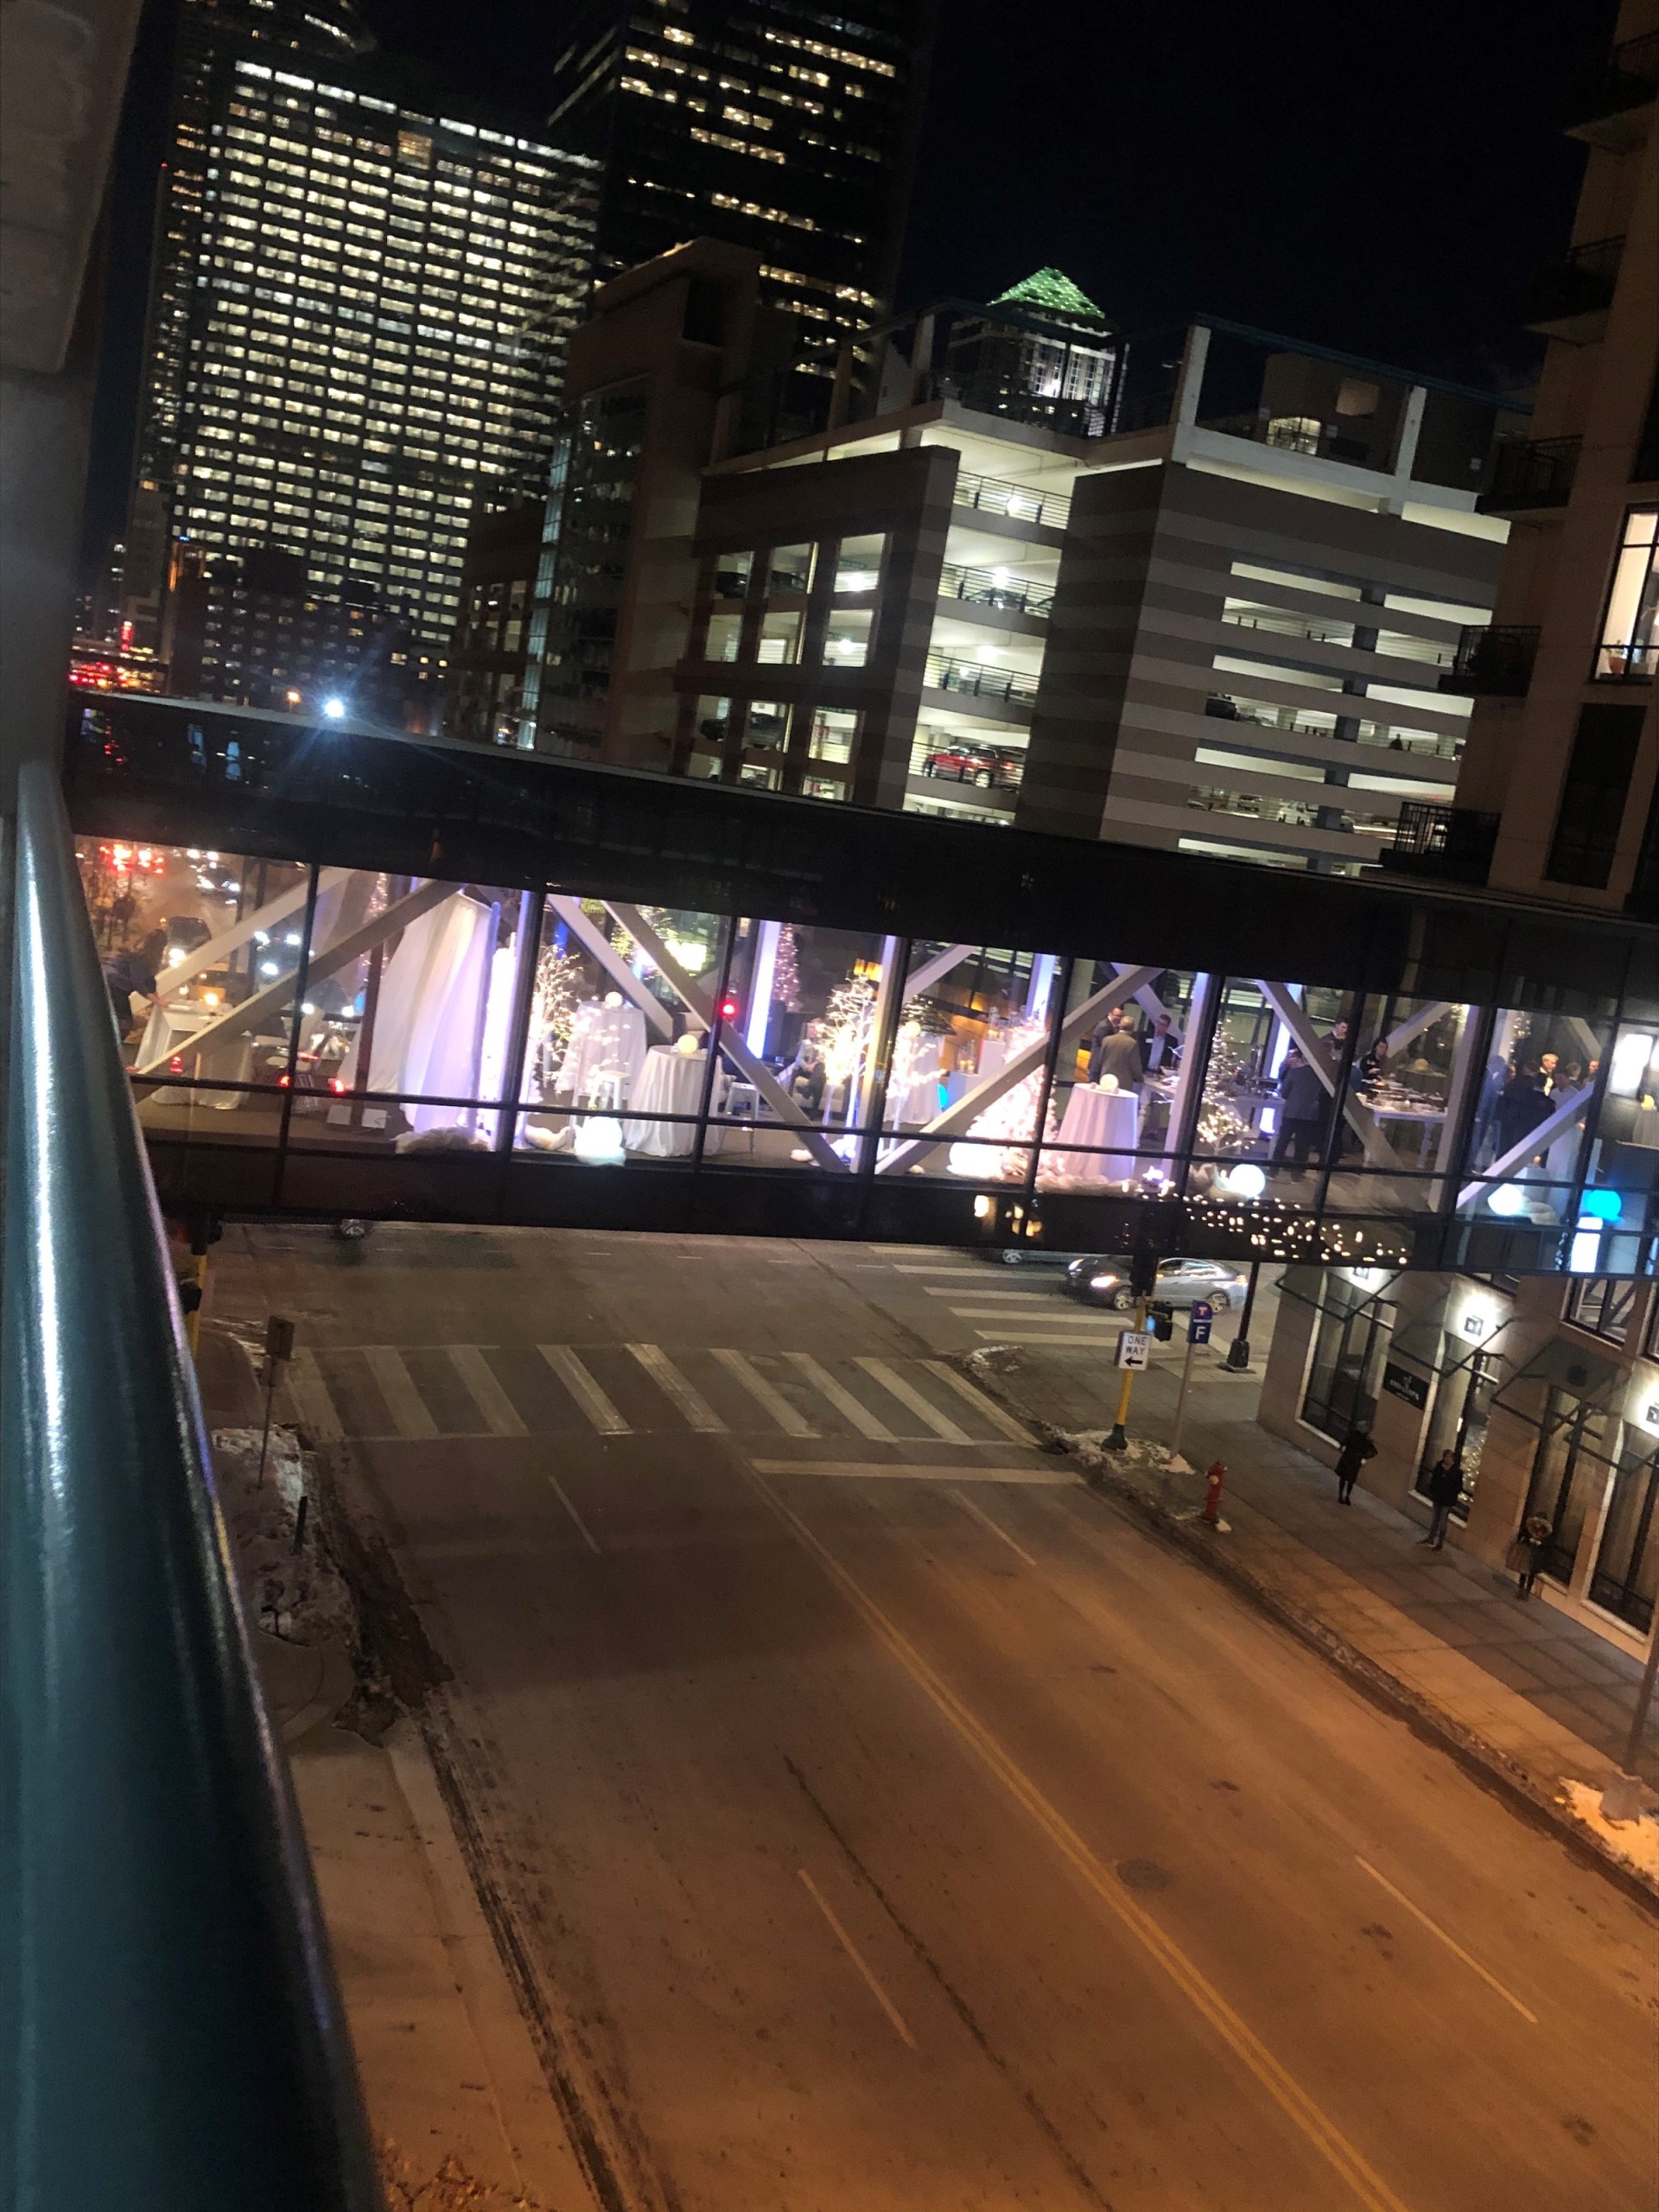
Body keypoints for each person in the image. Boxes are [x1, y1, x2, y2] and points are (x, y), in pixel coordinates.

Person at [101, 928, 168, 1039]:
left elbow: (149, 982)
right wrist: (158, 1002)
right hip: (115, 985)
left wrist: (159, 1000)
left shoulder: (140, 955)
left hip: (112, 982)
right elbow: (139, 984)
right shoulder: (140, 959)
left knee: (121, 1019)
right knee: (124, 1022)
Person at [1271, 1049, 1328, 1177]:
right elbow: (1324, 1093)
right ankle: (1297, 1174)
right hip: (1310, 1113)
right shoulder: (1320, 1076)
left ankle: (1273, 1171)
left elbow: (1284, 1092)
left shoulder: (1294, 1072)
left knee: (1283, 1141)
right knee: (1302, 1144)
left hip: (1291, 1111)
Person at [1089, 1009, 1143, 1092]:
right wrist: (1140, 1078)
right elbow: (1135, 1065)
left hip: (1105, 1078)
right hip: (1123, 1082)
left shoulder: (1107, 1040)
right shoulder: (1132, 1044)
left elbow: (1101, 1059)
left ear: (1120, 1025)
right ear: (1132, 1028)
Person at [1420, 1450, 1461, 1548]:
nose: (1447, 1459)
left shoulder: (1456, 1472)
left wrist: (1451, 1494)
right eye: (1446, 1457)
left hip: (1447, 1501)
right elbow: (1434, 1480)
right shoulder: (1439, 1467)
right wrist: (1433, 1491)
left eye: (1449, 1457)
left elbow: (1458, 1487)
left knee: (1443, 1521)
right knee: (1435, 1519)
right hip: (1438, 1497)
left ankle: (1440, 1542)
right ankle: (1431, 1538)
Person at [1507, 1510, 1554, 1599]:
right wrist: (1529, 1540)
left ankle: (1527, 1592)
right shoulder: (1529, 1529)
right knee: (1523, 1572)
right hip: (1527, 1553)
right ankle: (1521, 1590)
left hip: (1536, 1556)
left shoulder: (1545, 1533)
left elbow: (1548, 1545)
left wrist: (1540, 1543)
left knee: (1531, 1574)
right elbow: (1521, 1536)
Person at [1333, 1424, 1376, 1505]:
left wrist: (1342, 1448)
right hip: (1355, 1461)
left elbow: (1342, 1442)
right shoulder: (1365, 1440)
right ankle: (1347, 1496)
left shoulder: (1353, 1436)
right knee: (1350, 1480)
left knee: (1343, 1478)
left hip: (1347, 1458)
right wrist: (1364, 1456)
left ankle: (1341, 1495)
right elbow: (1373, 1452)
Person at [782, 1038, 826, 1116]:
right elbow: (799, 1058)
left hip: (815, 1071)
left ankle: (808, 1090)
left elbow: (822, 1060)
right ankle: (814, 1111)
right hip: (804, 1070)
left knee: (820, 1076)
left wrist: (814, 1066)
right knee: (819, 1078)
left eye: (814, 1028)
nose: (813, 1030)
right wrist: (807, 1067)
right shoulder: (806, 1043)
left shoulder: (824, 1044)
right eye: (811, 1028)